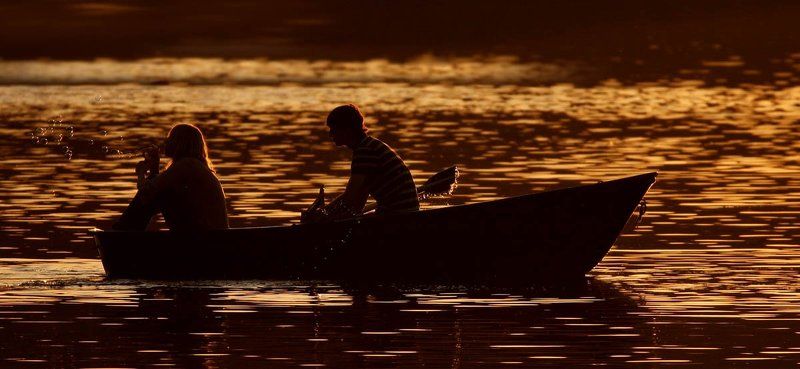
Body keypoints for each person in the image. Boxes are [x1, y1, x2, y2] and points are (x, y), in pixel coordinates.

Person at [309, 104, 418, 220]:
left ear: (347, 130)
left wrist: (323, 214)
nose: (330, 134)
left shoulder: (365, 151)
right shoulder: (368, 146)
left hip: (399, 216)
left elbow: (349, 198)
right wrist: (327, 215)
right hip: (403, 213)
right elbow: (357, 204)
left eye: (333, 129)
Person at [113, 124, 229, 231]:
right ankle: (125, 231)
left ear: (180, 143)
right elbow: (156, 187)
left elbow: (146, 192)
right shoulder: (193, 165)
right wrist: (154, 168)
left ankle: (123, 233)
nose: (165, 142)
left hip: (203, 237)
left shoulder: (186, 165)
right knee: (158, 193)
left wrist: (141, 173)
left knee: (154, 195)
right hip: (209, 234)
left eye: (170, 139)